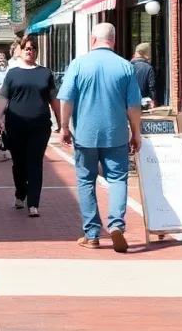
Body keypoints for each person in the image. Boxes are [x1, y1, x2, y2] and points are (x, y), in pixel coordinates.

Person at [58, 23, 141, 253]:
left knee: (86, 181)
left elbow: (66, 100)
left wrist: (64, 127)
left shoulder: (78, 64)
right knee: (118, 179)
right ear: (113, 40)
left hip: (85, 134)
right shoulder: (126, 66)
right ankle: (116, 225)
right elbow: (133, 105)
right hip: (116, 134)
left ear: (93, 39)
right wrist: (136, 132)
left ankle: (92, 234)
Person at [0, 35, 58, 216]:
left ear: (37, 52)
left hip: (39, 125)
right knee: (19, 163)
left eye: (33, 48)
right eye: (27, 49)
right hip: (16, 124)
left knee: (35, 162)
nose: (30, 51)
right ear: (21, 51)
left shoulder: (45, 73)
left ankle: (33, 203)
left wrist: (62, 121)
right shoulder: (13, 73)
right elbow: (3, 97)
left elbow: (53, 98)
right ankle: (20, 193)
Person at [131, 42, 157, 107]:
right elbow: (152, 87)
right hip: (144, 102)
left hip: (130, 102)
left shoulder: (128, 65)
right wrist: (153, 100)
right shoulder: (148, 67)